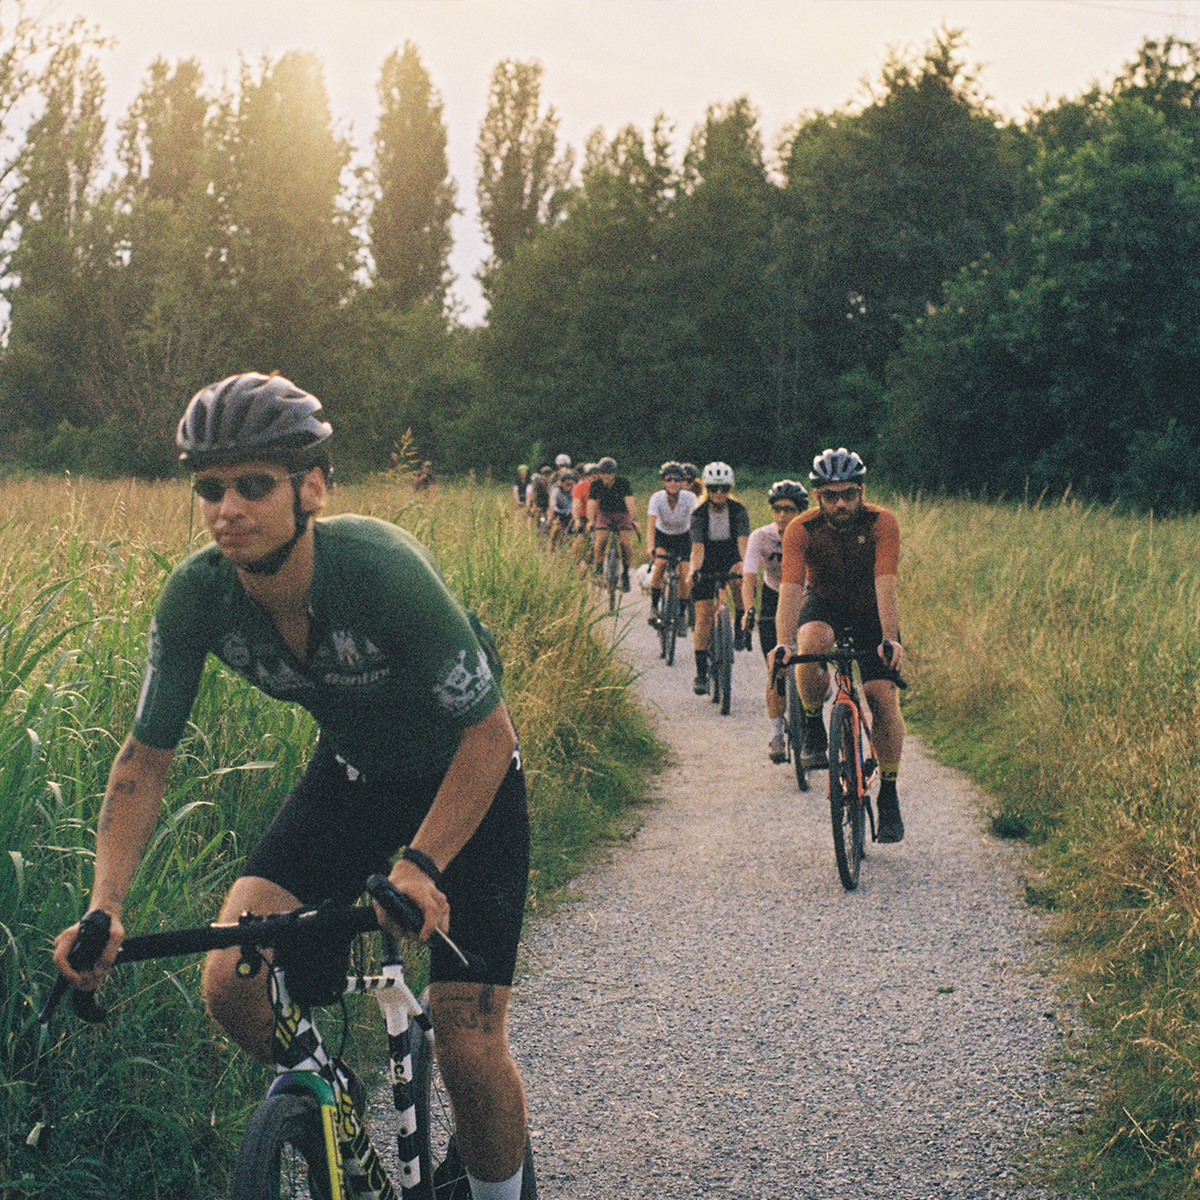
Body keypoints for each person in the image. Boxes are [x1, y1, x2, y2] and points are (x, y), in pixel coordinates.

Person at [52, 373, 536, 1200]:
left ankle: (501, 1189)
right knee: (230, 983)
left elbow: (489, 739)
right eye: (209, 488)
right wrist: (106, 906)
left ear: (311, 487)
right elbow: (142, 763)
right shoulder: (197, 597)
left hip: (465, 784)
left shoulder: (381, 570)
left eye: (253, 484)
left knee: (465, 1039)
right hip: (351, 776)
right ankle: (331, 1108)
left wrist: (420, 864)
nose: (226, 507)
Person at [775, 447, 907, 843]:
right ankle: (813, 724)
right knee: (810, 640)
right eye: (831, 495)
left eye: (849, 494)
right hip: (826, 604)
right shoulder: (802, 528)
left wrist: (888, 638)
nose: (841, 503)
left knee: (881, 695)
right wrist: (781, 644)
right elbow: (791, 589)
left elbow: (886, 583)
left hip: (871, 610)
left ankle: (890, 793)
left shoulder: (882, 522)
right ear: (817, 496)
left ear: (861, 491)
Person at [741, 480, 807, 761]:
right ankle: (777, 734)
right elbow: (749, 576)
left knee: (810, 657)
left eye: (789, 510)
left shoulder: (808, 533)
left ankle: (816, 684)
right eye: (777, 510)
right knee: (775, 668)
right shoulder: (761, 536)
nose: (782, 516)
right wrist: (747, 609)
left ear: (801, 511)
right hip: (772, 596)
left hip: (804, 596)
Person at [689, 462, 750, 694]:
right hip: (707, 557)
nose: (718, 493)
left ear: (729, 488)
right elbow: (697, 548)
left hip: (731, 554)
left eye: (723, 488)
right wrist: (694, 570)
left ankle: (741, 623)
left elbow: (743, 544)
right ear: (706, 488)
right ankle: (701, 673)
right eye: (714, 488)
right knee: (703, 616)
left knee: (739, 579)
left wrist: (745, 567)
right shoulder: (698, 514)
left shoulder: (738, 510)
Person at [645, 461, 696, 626]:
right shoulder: (657, 498)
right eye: (669, 479)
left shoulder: (690, 498)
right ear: (663, 482)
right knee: (660, 563)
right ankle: (653, 607)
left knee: (685, 573)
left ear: (682, 481)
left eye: (676, 479)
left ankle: (681, 612)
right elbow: (651, 524)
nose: (673, 482)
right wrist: (651, 547)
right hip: (663, 535)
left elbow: (696, 524)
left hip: (683, 536)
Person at [586, 457, 639, 592]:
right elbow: (591, 503)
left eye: (609, 473)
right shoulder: (596, 484)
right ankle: (598, 569)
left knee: (626, 544)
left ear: (615, 473)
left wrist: (634, 519)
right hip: (605, 514)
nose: (606, 476)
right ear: (600, 473)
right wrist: (590, 520)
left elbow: (629, 501)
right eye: (603, 472)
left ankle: (625, 573)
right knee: (600, 541)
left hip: (622, 514)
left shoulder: (623, 483)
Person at [547, 468, 576, 549]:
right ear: (561, 483)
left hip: (568, 513)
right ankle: (551, 546)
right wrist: (550, 519)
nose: (569, 487)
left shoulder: (573, 490)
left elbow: (576, 505)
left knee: (570, 537)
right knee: (556, 528)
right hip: (557, 512)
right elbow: (552, 505)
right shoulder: (556, 491)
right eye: (567, 484)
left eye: (571, 484)